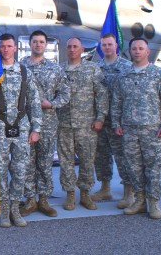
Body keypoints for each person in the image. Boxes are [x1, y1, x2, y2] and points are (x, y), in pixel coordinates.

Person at [111, 37, 161, 219]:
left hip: (153, 130)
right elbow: (116, 101)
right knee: (134, 167)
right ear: (130, 52)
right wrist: (116, 123)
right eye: (134, 49)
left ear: (148, 52)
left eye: (141, 48)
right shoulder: (123, 76)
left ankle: (153, 202)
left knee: (153, 168)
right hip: (129, 130)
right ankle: (139, 200)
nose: (137, 51)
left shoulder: (158, 74)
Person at [0, 33, 42, 227]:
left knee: (20, 170)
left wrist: (36, 128)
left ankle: (15, 208)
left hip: (22, 128)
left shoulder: (24, 72)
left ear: (15, 48)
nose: (6, 49)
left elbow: (34, 102)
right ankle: (4, 210)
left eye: (9, 46)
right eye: (3, 46)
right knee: (0, 170)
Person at [18, 30, 70, 218]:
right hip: (24, 122)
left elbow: (65, 94)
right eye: (35, 42)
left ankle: (44, 199)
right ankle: (30, 199)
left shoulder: (55, 69)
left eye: (41, 42)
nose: (38, 45)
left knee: (45, 162)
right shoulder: (20, 66)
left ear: (46, 45)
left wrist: (52, 104)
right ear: (29, 44)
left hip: (47, 122)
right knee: (26, 162)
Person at [58, 37, 108, 211]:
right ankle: (70, 194)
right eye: (69, 46)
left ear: (82, 49)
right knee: (66, 161)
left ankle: (85, 194)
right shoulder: (59, 69)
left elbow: (101, 95)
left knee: (87, 161)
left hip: (87, 125)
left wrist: (100, 118)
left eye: (75, 47)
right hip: (64, 124)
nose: (72, 49)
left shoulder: (92, 69)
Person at [91, 33, 134, 208]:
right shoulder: (96, 67)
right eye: (104, 45)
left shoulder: (127, 67)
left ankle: (128, 192)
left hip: (119, 121)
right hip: (101, 119)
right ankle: (105, 188)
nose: (107, 47)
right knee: (101, 156)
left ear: (116, 45)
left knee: (122, 157)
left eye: (110, 44)